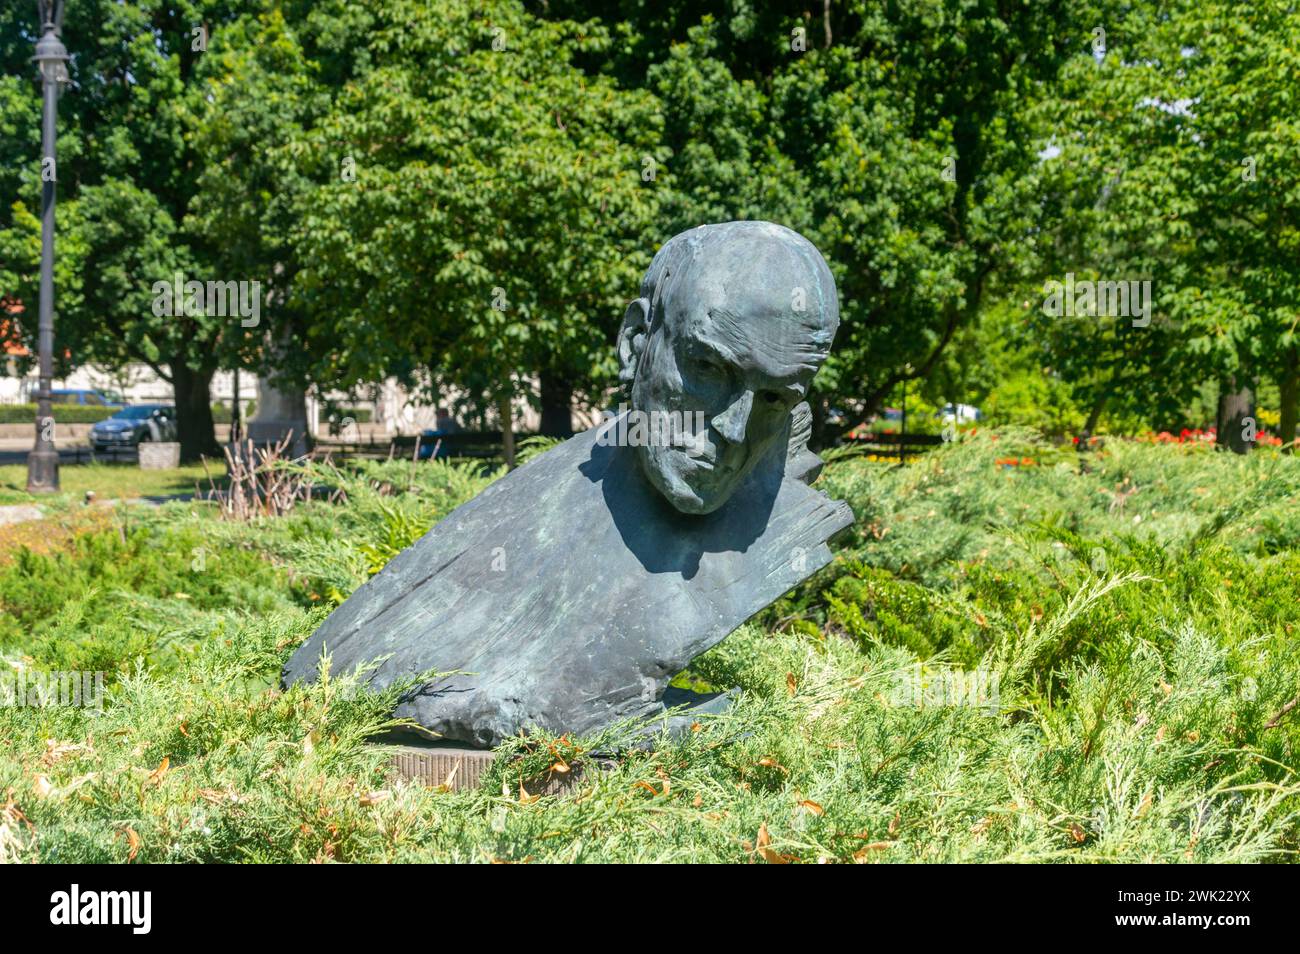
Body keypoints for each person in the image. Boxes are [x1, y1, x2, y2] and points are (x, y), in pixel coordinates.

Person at [284, 222, 852, 747]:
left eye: (775, 397)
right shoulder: (518, 518)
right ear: (636, 345)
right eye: (707, 369)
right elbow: (329, 677)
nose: (734, 429)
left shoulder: (781, 520)